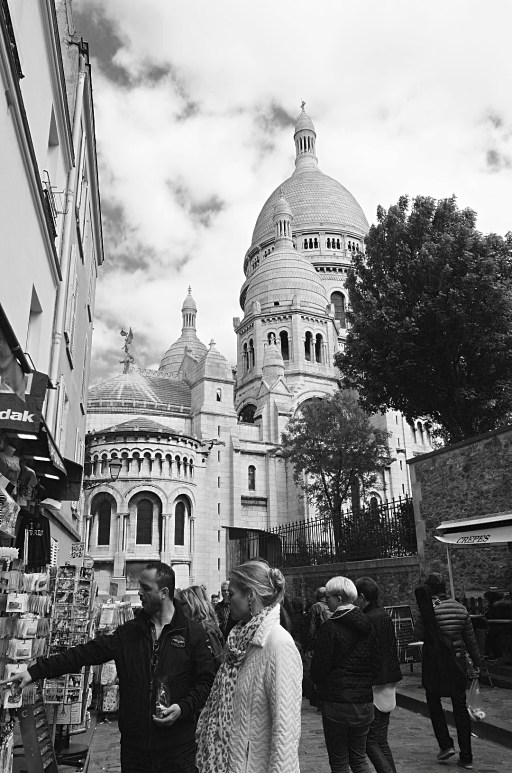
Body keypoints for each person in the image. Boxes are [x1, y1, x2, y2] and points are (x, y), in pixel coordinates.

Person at [2, 562, 215, 773]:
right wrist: (34, 672)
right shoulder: (129, 633)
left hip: (177, 747)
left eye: (146, 588)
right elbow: (82, 654)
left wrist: (183, 708)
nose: (139, 592)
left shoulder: (192, 634)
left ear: (164, 593)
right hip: (135, 749)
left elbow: (206, 681)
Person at [196, 560, 303, 773]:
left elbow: (286, 731)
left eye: (232, 594)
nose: (227, 600)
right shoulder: (238, 641)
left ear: (250, 596)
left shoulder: (278, 644)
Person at [311, 576, 378, 773]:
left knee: (340, 762)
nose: (326, 601)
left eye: (329, 597)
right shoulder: (367, 624)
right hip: (364, 702)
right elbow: (376, 662)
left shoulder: (330, 627)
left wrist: (319, 684)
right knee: (359, 759)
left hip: (337, 703)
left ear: (339, 599)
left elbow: (319, 667)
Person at [414, 573, 481, 771]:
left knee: (434, 705)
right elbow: (471, 639)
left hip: (434, 664)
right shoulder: (460, 608)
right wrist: (477, 663)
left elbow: (417, 634)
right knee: (460, 708)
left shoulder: (428, 610)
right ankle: (467, 756)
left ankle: (445, 745)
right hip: (456, 663)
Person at [355, 577, 402, 773]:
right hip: (388, 679)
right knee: (380, 740)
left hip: (375, 683)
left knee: (371, 741)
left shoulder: (369, 619)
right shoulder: (383, 615)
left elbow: (368, 652)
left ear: (362, 596)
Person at [178, 586, 224, 670]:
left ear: (194, 605)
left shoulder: (207, 629)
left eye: (182, 604)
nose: (179, 608)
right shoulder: (190, 627)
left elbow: (217, 661)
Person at [306, 586, 332, 651]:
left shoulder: (316, 607)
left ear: (317, 595)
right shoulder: (332, 606)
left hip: (319, 640)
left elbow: (311, 626)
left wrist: (310, 646)